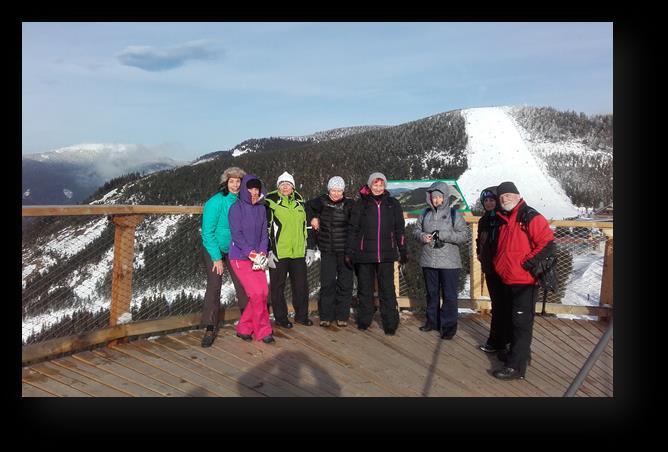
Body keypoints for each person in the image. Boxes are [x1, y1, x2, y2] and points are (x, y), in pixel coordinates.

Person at [492, 181, 555, 380]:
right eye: (502, 197)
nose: (505, 199)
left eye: (509, 195)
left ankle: (516, 368)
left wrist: (528, 263)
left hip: (524, 280)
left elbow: (547, 243)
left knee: (521, 323)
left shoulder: (529, 216)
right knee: (513, 320)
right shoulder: (506, 218)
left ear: (518, 196)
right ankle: (518, 355)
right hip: (509, 279)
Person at [345, 172, 408, 335]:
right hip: (364, 254)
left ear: (384, 186)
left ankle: (390, 323)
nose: (378, 188)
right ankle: (364, 320)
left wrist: (402, 249)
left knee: (387, 290)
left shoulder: (393, 204)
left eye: (381, 185)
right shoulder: (361, 204)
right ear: (370, 186)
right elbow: (353, 229)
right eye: (375, 185)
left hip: (386, 255)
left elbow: (400, 229)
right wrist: (350, 251)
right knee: (365, 289)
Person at [200, 166, 249, 347]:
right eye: (232, 181)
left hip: (234, 249)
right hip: (214, 248)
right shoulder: (216, 202)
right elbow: (207, 232)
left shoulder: (244, 202)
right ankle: (210, 327)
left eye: (238, 181)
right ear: (225, 183)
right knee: (214, 285)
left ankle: (247, 321)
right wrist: (216, 257)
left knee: (242, 283)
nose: (235, 185)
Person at [412, 182, 468, 339]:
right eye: (433, 197)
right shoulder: (425, 213)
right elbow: (416, 231)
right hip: (429, 260)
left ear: (445, 197)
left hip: (450, 263)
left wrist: (444, 235)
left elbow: (464, 236)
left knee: (449, 295)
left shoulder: (454, 214)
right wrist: (423, 236)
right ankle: (432, 322)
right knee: (431, 293)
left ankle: (449, 327)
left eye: (439, 197)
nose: (436, 200)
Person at [228, 174, 275, 344]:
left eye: (257, 189)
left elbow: (264, 234)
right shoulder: (236, 208)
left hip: (257, 257)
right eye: (251, 188)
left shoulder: (261, 209)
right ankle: (264, 331)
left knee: (262, 293)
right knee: (256, 293)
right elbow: (237, 235)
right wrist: (252, 254)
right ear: (244, 189)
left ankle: (244, 328)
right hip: (240, 258)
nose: (254, 192)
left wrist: (262, 252)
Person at [265, 171, 313, 328]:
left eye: (288, 184)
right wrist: (268, 250)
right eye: (282, 185)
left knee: (300, 285)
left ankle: (301, 316)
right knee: (278, 286)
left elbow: (308, 226)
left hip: (298, 251)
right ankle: (281, 318)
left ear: (293, 187)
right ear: (278, 187)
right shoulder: (270, 202)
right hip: (279, 252)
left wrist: (310, 248)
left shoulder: (301, 204)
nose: (285, 187)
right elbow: (265, 228)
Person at [306, 176, 355, 327]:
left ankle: (342, 316)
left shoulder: (350, 204)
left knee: (345, 284)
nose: (335, 193)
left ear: (343, 191)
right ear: (328, 190)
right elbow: (306, 206)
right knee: (327, 283)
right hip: (327, 250)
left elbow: (357, 222)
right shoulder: (321, 201)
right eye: (333, 190)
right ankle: (326, 316)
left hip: (345, 251)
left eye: (339, 190)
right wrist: (313, 218)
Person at [475, 186, 512, 353]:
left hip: (503, 268)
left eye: (492, 200)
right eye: (486, 201)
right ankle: (496, 340)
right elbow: (480, 241)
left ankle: (505, 341)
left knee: (506, 305)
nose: (489, 203)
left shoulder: (503, 218)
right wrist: (480, 254)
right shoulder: (484, 220)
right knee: (497, 305)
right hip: (490, 268)